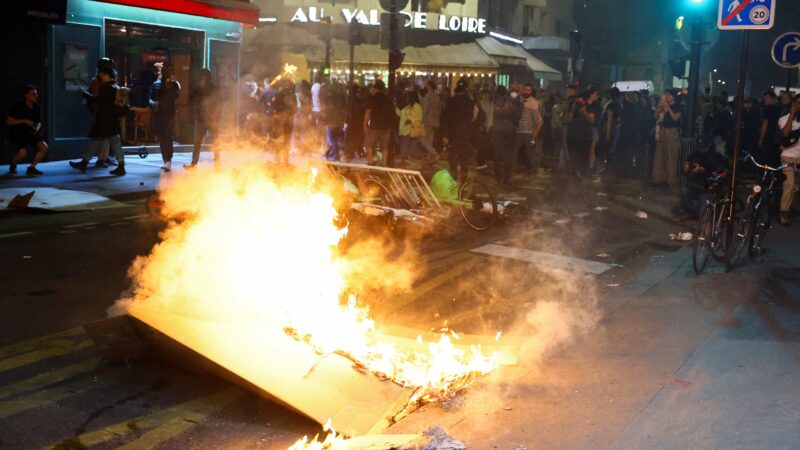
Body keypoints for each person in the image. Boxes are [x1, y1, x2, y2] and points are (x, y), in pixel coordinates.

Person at [69, 66, 128, 176]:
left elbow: (96, 100)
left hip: (105, 122)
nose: (99, 75)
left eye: (101, 73)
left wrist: (85, 94)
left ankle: (120, 167)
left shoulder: (107, 88)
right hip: (111, 121)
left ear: (106, 75)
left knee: (110, 142)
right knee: (99, 142)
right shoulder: (114, 87)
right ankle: (85, 162)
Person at [681, 135, 729, 219]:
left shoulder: (717, 157)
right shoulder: (694, 154)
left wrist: (703, 170)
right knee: (685, 190)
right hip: (696, 184)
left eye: (703, 147)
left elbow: (720, 174)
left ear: (709, 145)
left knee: (701, 216)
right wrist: (686, 169)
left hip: (709, 187)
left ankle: (701, 212)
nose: (701, 149)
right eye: (700, 147)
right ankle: (692, 211)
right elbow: (685, 171)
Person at [442, 78, 478, 182]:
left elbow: (446, 119)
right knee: (464, 159)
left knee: (453, 159)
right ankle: (464, 181)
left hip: (452, 135)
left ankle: (453, 179)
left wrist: (445, 135)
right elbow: (474, 118)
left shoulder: (451, 101)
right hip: (465, 135)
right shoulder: (470, 102)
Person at [6, 85, 48, 175]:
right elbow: (9, 121)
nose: (36, 96)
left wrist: (37, 127)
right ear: (26, 95)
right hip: (19, 133)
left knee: (44, 147)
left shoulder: (36, 107)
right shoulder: (18, 106)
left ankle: (31, 168)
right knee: (22, 154)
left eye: (36, 94)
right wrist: (24, 121)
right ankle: (13, 163)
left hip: (31, 132)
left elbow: (38, 122)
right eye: (33, 94)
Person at [185, 69, 219, 169]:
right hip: (201, 119)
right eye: (202, 76)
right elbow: (190, 98)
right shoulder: (198, 88)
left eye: (205, 76)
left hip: (212, 119)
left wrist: (216, 116)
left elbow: (219, 102)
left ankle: (218, 163)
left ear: (209, 77)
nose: (203, 78)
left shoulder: (214, 88)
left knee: (216, 141)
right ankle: (194, 163)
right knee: (197, 141)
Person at [151, 62, 181, 172]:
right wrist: (153, 103)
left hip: (170, 115)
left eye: (167, 70)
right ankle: (165, 160)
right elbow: (151, 98)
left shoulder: (174, 84)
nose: (165, 72)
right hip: (159, 114)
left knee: (168, 138)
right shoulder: (156, 84)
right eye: (164, 70)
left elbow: (177, 96)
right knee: (162, 139)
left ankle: (168, 161)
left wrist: (169, 87)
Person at [652, 89, 683, 189]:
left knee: (671, 157)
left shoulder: (678, 106)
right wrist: (660, 109)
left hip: (672, 132)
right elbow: (658, 118)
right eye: (665, 94)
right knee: (660, 155)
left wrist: (668, 108)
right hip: (662, 131)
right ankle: (659, 179)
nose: (666, 96)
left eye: (668, 95)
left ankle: (669, 181)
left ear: (673, 96)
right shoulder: (663, 105)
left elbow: (675, 118)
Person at [492, 85, 522, 186]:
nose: (513, 93)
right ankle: (498, 176)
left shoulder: (519, 104)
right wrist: (505, 111)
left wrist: (511, 109)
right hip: (499, 131)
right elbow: (496, 114)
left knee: (508, 156)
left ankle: (506, 177)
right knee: (496, 154)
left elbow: (518, 116)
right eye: (512, 91)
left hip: (510, 132)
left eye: (515, 91)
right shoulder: (500, 101)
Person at [778, 93, 800, 226]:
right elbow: (785, 134)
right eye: (798, 102)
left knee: (794, 187)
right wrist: (792, 114)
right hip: (788, 157)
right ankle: (783, 212)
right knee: (789, 184)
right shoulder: (784, 118)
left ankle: (789, 201)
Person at [362, 80, 395, 165]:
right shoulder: (388, 99)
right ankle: (384, 164)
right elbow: (392, 113)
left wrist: (365, 125)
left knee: (369, 144)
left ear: (375, 88)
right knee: (384, 147)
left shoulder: (372, 98)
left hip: (374, 126)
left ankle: (370, 162)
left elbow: (368, 113)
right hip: (386, 127)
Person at [515, 83, 543, 175]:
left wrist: (534, 133)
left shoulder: (534, 102)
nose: (526, 91)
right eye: (525, 89)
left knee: (530, 150)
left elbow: (536, 119)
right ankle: (511, 167)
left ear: (531, 91)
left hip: (528, 130)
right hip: (518, 130)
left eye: (528, 90)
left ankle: (534, 168)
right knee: (514, 150)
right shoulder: (518, 99)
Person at [397, 90, 424, 164]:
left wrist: (410, 120)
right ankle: (414, 156)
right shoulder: (408, 106)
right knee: (408, 144)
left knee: (405, 144)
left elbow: (419, 117)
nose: (406, 98)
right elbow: (401, 115)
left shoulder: (416, 106)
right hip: (404, 128)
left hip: (411, 128)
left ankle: (404, 158)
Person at [420, 81, 442, 161]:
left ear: (429, 86)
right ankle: (430, 157)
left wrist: (422, 118)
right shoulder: (437, 96)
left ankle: (434, 153)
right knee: (430, 140)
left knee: (423, 140)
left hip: (427, 120)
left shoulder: (428, 96)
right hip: (435, 121)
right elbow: (439, 109)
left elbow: (425, 109)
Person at [758, 90, 781, 166]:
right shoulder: (777, 108)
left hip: (768, 136)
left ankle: (765, 174)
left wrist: (761, 138)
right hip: (775, 136)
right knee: (772, 157)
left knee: (765, 157)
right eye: (764, 98)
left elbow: (765, 124)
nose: (765, 99)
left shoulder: (767, 109)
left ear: (772, 98)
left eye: (767, 97)